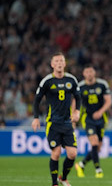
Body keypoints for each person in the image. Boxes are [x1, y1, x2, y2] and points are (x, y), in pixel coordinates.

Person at [31, 52, 81, 186]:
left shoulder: (71, 80)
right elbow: (36, 100)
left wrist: (77, 111)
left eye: (61, 61)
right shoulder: (47, 81)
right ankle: (54, 183)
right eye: (56, 61)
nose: (59, 63)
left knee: (72, 154)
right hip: (52, 123)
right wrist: (36, 118)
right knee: (56, 152)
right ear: (52, 64)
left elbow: (78, 96)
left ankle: (63, 178)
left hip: (67, 123)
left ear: (65, 64)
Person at [75, 65, 112, 178]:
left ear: (94, 73)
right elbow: (75, 101)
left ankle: (81, 164)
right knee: (94, 143)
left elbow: (109, 101)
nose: (89, 74)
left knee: (98, 148)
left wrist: (100, 112)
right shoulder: (80, 87)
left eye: (91, 71)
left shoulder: (102, 84)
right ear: (84, 74)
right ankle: (98, 170)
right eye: (87, 72)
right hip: (88, 118)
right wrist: (75, 114)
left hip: (101, 118)